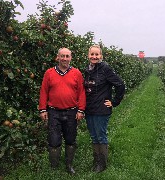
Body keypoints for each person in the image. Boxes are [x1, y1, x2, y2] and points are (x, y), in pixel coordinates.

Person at [39, 47, 86, 175]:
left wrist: (81, 110)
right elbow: (44, 91)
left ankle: (69, 164)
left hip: (71, 112)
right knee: (54, 141)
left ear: (71, 58)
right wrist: (43, 109)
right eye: (62, 56)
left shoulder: (76, 73)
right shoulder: (49, 73)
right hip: (54, 112)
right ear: (58, 57)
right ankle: (54, 166)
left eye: (67, 56)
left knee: (70, 139)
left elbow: (81, 92)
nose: (64, 59)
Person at [84, 45, 125, 173]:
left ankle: (102, 164)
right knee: (93, 136)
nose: (94, 57)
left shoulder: (105, 69)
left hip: (101, 109)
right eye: (92, 54)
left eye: (97, 54)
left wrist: (114, 102)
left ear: (101, 56)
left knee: (100, 136)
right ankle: (96, 161)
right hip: (89, 109)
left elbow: (120, 84)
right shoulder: (87, 70)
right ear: (88, 55)